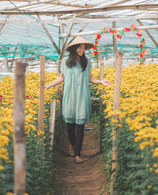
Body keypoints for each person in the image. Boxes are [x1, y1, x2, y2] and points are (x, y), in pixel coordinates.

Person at [45, 36, 110, 164]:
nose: (82, 50)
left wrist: (100, 81)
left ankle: (78, 154)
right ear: (74, 48)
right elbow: (61, 78)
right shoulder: (65, 61)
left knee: (80, 126)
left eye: (83, 48)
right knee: (70, 125)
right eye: (79, 47)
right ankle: (72, 144)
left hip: (82, 96)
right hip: (70, 96)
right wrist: (48, 85)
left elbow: (90, 78)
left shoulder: (87, 62)